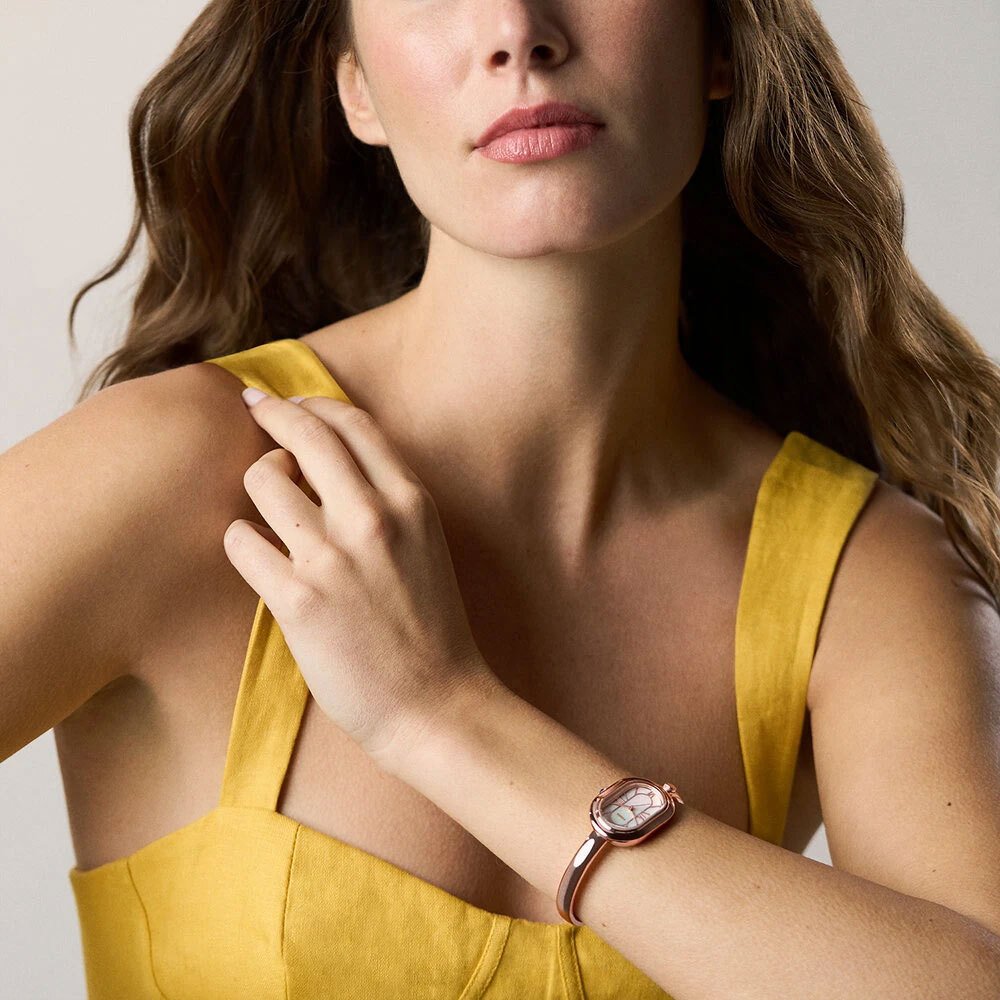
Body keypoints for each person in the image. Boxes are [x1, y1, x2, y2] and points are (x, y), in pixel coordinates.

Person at [3, 0, 999, 997]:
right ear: (357, 91)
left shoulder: (857, 578)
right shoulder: (183, 475)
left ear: (721, 46)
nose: (519, 30)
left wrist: (437, 713)